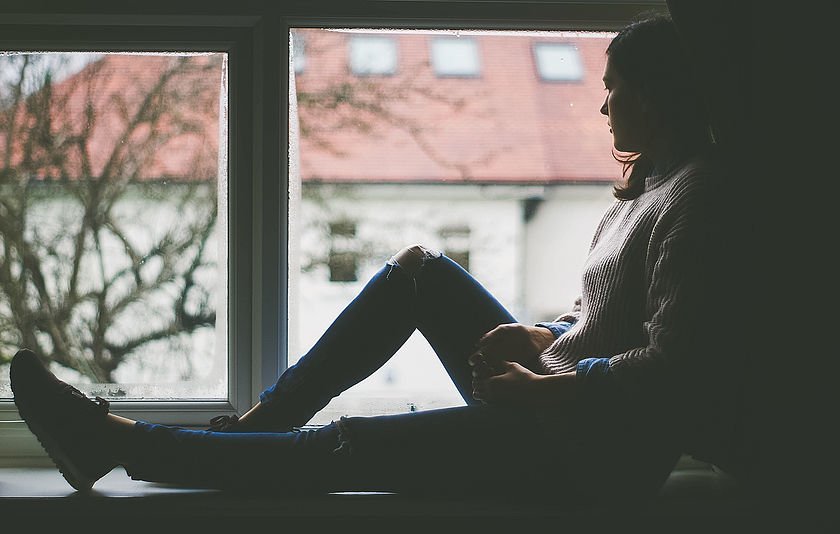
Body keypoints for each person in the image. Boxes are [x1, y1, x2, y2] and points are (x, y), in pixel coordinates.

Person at [10, 13, 741, 499]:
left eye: (614, 89)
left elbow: (674, 370)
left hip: (593, 457)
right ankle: (249, 432)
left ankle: (116, 443)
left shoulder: (700, 196)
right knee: (418, 271)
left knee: (347, 447)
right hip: (555, 405)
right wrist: (540, 335)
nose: (604, 107)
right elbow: (599, 317)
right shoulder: (648, 188)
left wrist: (547, 388)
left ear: (653, 95)